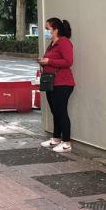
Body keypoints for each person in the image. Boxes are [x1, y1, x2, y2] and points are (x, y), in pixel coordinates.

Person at [39, 17, 75, 153]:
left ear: (55, 30)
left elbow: (68, 61)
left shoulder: (64, 43)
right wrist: (43, 62)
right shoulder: (52, 44)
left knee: (61, 112)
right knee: (55, 111)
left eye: (47, 28)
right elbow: (50, 60)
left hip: (63, 83)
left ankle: (66, 142)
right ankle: (56, 138)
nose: (46, 31)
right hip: (51, 82)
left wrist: (48, 61)